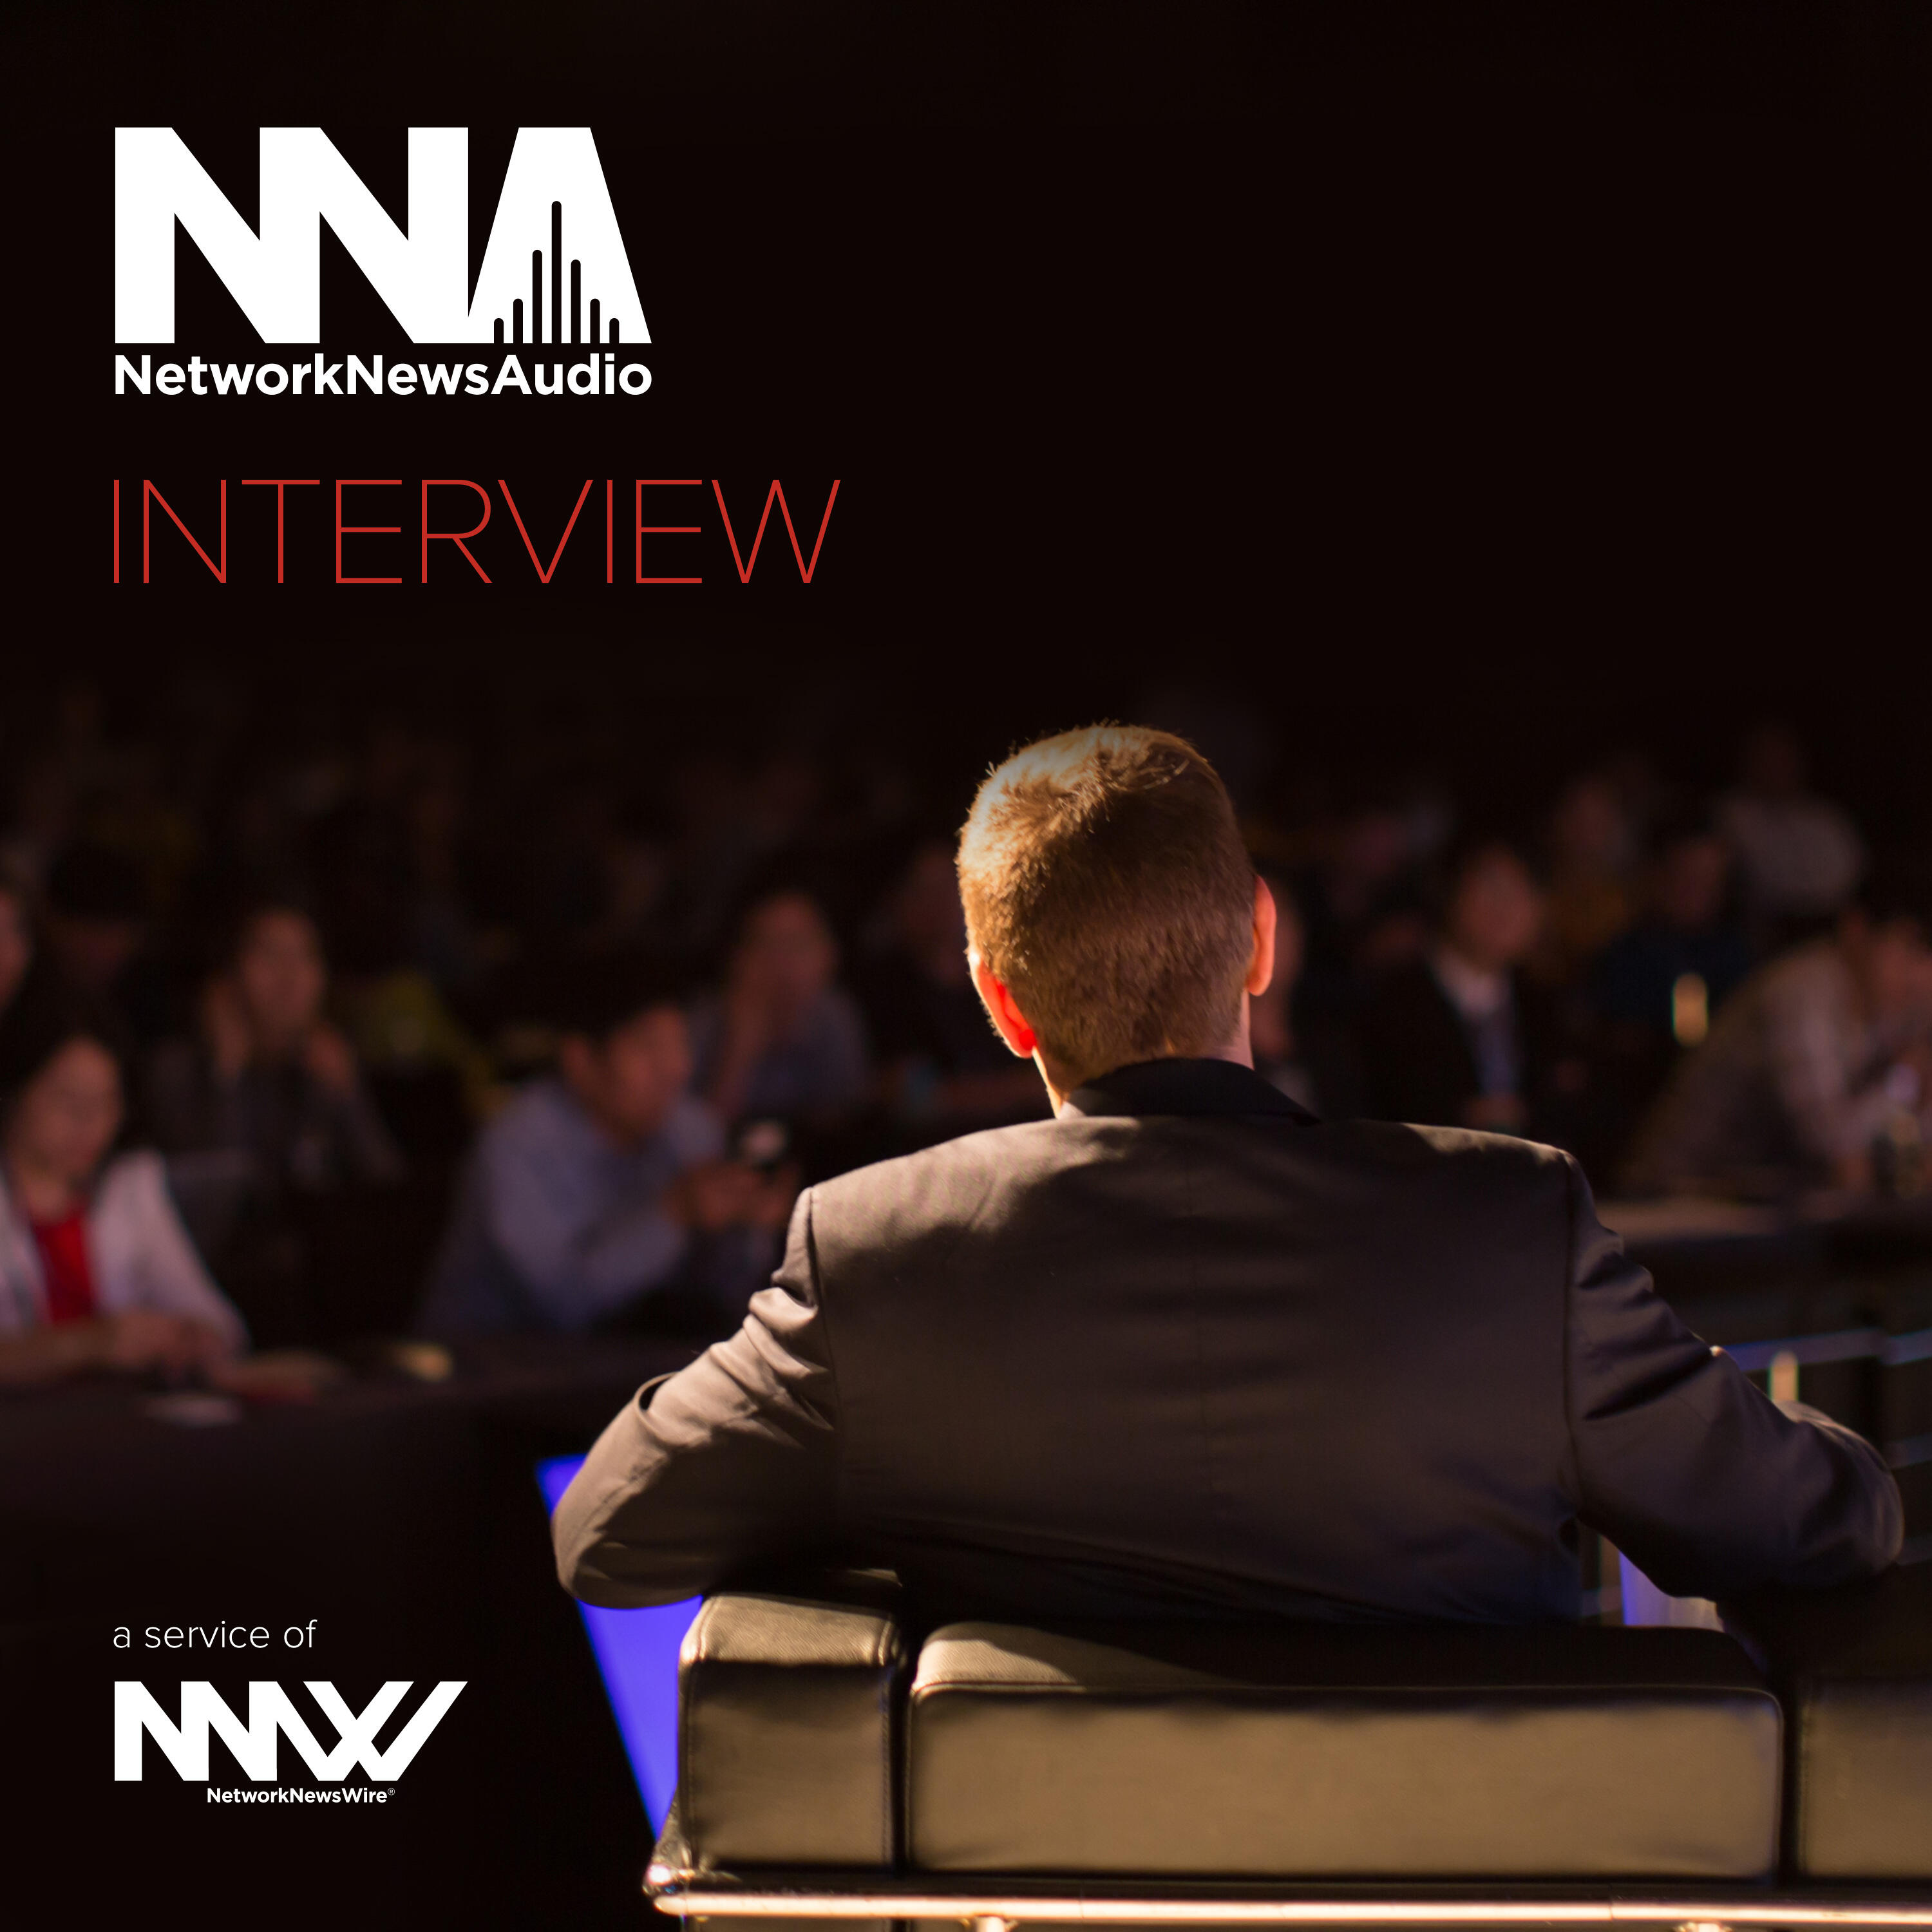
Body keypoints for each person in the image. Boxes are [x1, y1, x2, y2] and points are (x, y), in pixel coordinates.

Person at [554, 725, 1898, 1625]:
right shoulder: (1513, 1226)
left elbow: (606, 1535)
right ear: (1261, 942)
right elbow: (1827, 1525)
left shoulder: (875, 1258)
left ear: (999, 1004)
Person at [419, 961, 795, 1338]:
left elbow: (724, 1297)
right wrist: (674, 1213)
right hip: (487, 1359)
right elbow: (563, 1304)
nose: (676, 1069)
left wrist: (747, 1228)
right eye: (649, 1047)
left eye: (680, 1044)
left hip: (639, 1356)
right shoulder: (514, 1147)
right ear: (580, 1060)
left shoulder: (690, 1129)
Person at [144, 901, 406, 1302]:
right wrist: (226, 1076)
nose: (289, 977)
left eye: (305, 957)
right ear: (228, 978)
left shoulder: (324, 1069)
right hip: (216, 1293)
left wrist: (348, 1098)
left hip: (318, 1292)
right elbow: (219, 1211)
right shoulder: (177, 1069)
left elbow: (388, 1199)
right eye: (269, 955)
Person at [1622, 863, 1932, 1200]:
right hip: (1674, 1198)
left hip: (1765, 1201)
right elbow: (1831, 1145)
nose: (1921, 974)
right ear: (1855, 929)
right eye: (1910, 949)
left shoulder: (1895, 1010)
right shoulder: (1800, 992)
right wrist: (1904, 1078)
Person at [0, 1000, 247, 1385]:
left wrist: (191, 1337)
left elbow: (218, 1321)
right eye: (68, 1099)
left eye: (106, 1102)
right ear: (17, 1092)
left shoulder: (130, 1186)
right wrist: (83, 1344)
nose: (89, 1122)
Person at [1356, 840, 1571, 1137]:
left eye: (1524, 891)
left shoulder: (1547, 1006)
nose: (1507, 907)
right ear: (1451, 891)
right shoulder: (1392, 1001)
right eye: (1492, 887)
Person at [853, 841, 1046, 1136]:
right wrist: (1018, 1089)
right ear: (898, 901)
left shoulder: (1009, 974)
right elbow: (914, 1099)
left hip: (1029, 1138)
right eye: (924, 890)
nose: (940, 903)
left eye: (950, 885)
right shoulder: (883, 991)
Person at [687, 889, 870, 1126]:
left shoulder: (835, 1016)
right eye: (765, 945)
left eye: (797, 945)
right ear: (737, 960)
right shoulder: (702, 1026)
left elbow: (848, 1118)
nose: (781, 963)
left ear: (829, 955)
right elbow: (697, 1138)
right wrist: (739, 1051)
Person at [1717, 723, 1866, 946]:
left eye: (1783, 759)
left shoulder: (1824, 817)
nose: (1775, 769)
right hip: (1761, 929)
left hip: (1830, 927)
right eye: (1766, 759)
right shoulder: (1734, 816)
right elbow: (1758, 878)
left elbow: (1849, 874)